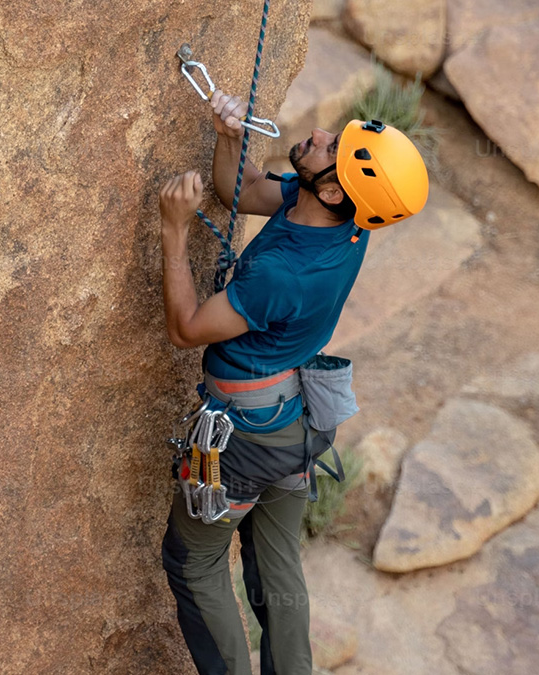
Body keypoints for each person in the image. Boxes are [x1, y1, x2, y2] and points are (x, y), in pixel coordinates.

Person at [158, 88, 429, 675]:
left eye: (335, 146)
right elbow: (241, 191)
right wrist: (230, 138)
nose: (323, 134)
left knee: (194, 562)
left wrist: (174, 231)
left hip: (249, 443)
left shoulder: (285, 275)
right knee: (276, 563)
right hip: (296, 426)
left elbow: (186, 329)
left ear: (332, 189)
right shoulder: (337, 216)